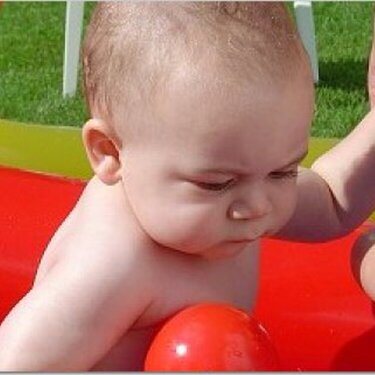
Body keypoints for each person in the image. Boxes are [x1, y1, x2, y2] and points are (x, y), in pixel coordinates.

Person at [0, 2, 314, 371]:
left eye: (285, 171)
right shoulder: (112, 269)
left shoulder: (238, 183)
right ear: (110, 153)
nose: (259, 206)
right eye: (216, 184)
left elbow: (334, 202)